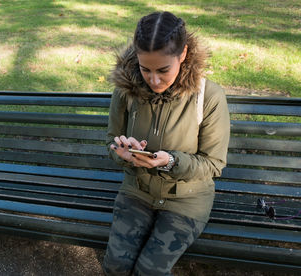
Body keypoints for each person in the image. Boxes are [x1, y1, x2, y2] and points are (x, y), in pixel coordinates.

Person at [102, 11, 230, 276]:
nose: (154, 79)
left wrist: (171, 161)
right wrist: (122, 153)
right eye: (144, 69)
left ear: (183, 54)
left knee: (149, 272)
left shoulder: (208, 96)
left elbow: (214, 164)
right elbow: (110, 142)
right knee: (115, 268)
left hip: (186, 201)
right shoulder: (125, 90)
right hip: (137, 191)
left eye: (163, 70)